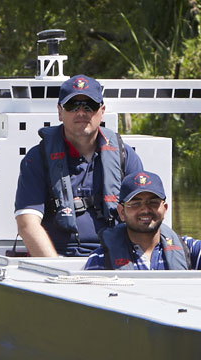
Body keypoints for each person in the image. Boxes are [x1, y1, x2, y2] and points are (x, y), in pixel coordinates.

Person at [13, 74, 146, 257]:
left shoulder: (125, 156)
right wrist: (58, 271)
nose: (81, 112)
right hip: (59, 259)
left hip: (114, 260)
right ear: (60, 112)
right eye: (72, 105)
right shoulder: (37, 158)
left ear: (102, 111)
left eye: (89, 105)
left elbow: (142, 217)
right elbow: (27, 224)